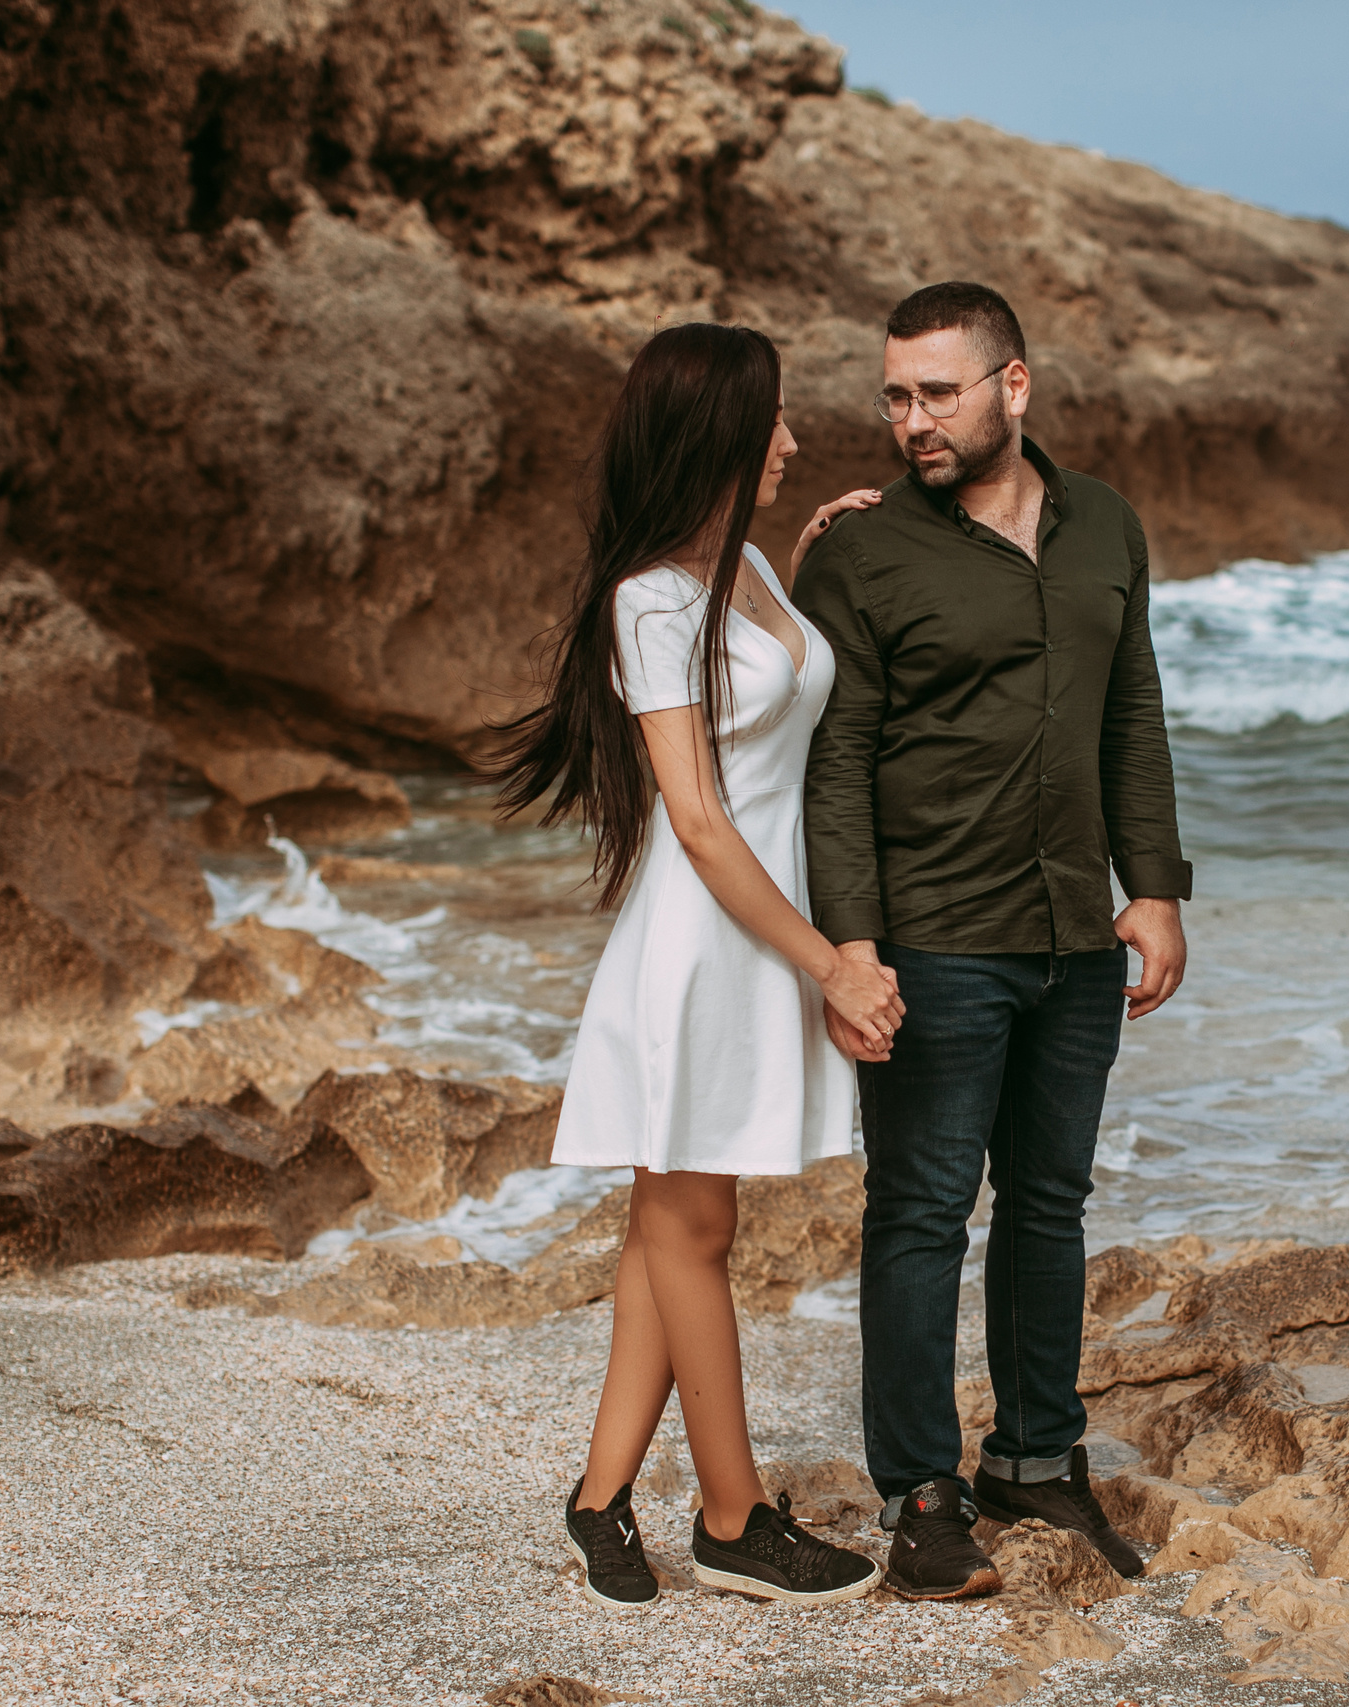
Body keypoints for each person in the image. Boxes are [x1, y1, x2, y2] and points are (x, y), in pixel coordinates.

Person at [489, 322, 899, 1611]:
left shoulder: (755, 569)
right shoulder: (646, 602)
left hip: (759, 928)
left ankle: (601, 1500)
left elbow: (793, 714)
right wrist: (831, 964)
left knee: (667, 1226)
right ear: (717, 434)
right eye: (771, 421)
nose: (788, 441)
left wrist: (819, 565)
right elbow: (704, 822)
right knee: (695, 1224)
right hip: (705, 941)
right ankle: (733, 1515)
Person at [792, 282, 1193, 1600]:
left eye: (939, 392)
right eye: (896, 396)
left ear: (1013, 386)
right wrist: (851, 948)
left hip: (1076, 933)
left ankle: (1037, 1455)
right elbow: (835, 764)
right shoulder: (861, 554)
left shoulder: (1107, 530)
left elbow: (1130, 710)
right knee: (917, 1215)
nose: (913, 420)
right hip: (934, 941)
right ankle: (920, 1494)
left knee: (1051, 1207)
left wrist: (1156, 886)